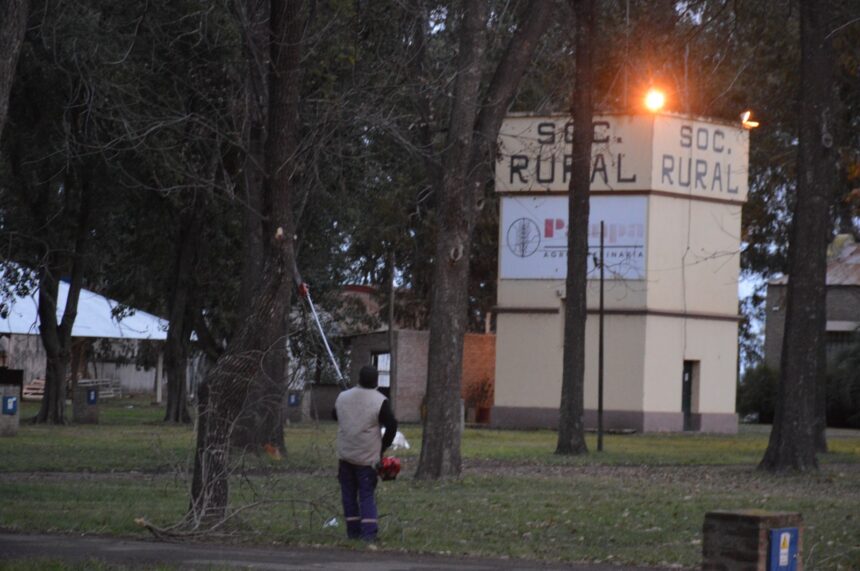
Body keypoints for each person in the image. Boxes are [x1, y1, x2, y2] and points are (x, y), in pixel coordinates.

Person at [333, 365, 398, 542]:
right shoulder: (380, 400)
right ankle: (369, 533)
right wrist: (383, 447)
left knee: (348, 495)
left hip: (345, 454)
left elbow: (335, 415)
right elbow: (391, 425)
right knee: (366, 494)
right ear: (377, 381)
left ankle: (353, 532)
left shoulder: (342, 397)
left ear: (358, 379)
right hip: (367, 458)